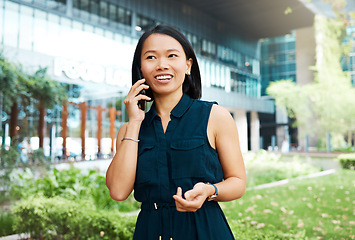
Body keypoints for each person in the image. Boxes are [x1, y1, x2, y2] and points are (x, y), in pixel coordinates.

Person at [106, 24, 246, 240]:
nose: (162, 65)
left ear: (188, 65)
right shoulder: (129, 130)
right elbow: (117, 191)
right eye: (151, 57)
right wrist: (134, 122)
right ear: (141, 68)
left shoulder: (215, 116)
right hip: (150, 232)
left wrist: (210, 191)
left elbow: (237, 182)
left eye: (172, 56)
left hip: (204, 230)